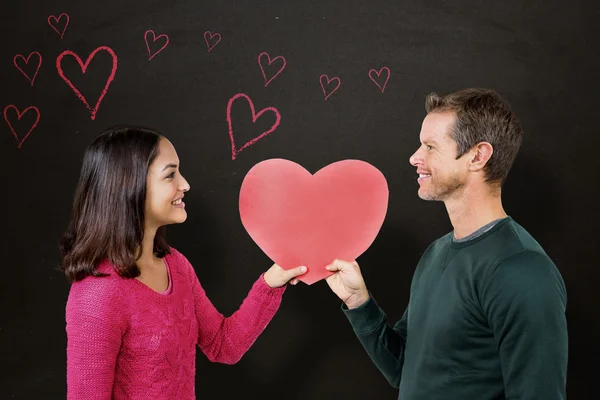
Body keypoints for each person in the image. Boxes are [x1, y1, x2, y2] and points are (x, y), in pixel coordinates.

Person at [325, 88, 568, 399]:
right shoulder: (436, 253)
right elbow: (403, 369)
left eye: (430, 147)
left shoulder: (522, 271)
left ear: (478, 156)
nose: (415, 157)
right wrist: (359, 303)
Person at [60, 126, 307, 400]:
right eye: (170, 174)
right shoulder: (97, 294)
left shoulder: (176, 266)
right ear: (128, 186)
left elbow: (223, 345)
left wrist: (273, 281)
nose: (185, 184)